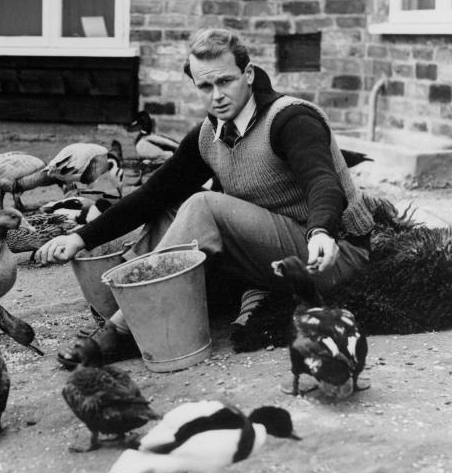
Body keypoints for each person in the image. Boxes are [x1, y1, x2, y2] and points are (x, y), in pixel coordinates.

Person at [35, 27, 375, 371]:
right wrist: (80, 237)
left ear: (248, 73)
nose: (217, 96)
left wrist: (321, 231)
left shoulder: (291, 119)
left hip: (331, 254)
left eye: (225, 81)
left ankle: (123, 327)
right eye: (205, 86)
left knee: (203, 205)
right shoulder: (209, 135)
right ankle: (134, 301)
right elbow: (151, 195)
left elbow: (323, 182)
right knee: (169, 205)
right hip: (266, 251)